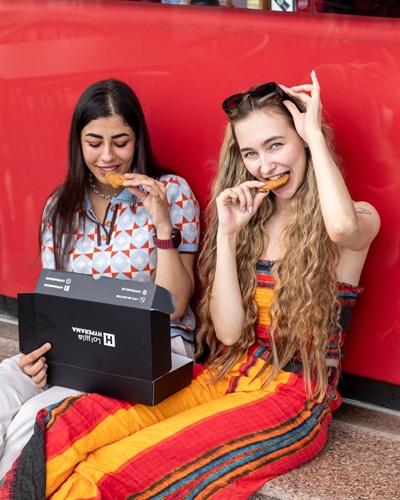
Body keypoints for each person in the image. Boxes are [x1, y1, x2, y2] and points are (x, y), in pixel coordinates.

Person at [0, 71, 380, 498]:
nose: (265, 165)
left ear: (305, 141)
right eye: (251, 152)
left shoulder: (360, 218)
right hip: (224, 375)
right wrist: (228, 235)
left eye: (277, 145)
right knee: (70, 426)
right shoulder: (252, 224)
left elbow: (340, 226)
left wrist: (315, 137)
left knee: (119, 470)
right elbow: (230, 333)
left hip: (293, 396)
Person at [0, 79, 200, 477]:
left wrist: (161, 221)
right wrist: (38, 356)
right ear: (78, 143)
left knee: (34, 421)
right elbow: (53, 305)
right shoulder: (60, 206)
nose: (107, 156)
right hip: (78, 348)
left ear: (137, 140)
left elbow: (175, 306)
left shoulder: (171, 192)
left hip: (153, 351)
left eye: (120, 142)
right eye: (94, 142)